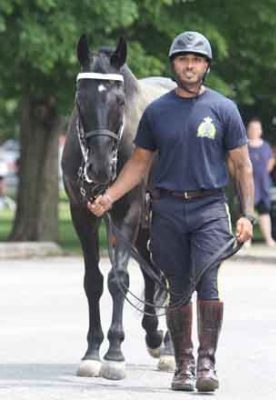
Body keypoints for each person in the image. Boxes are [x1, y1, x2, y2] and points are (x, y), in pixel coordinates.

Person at [88, 31, 255, 392]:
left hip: (210, 207)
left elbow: (242, 166)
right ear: (174, 65)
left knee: (207, 283)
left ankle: (206, 364)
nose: (189, 65)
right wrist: (110, 197)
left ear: (206, 66)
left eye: (196, 60)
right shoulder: (157, 111)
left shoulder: (224, 109)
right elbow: (138, 163)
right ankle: (183, 365)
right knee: (177, 287)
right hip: (166, 209)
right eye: (183, 59)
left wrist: (247, 214)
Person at [247, 118, 276, 247]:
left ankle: (269, 239)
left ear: (260, 131)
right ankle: (246, 240)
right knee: (248, 212)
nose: (254, 131)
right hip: (248, 185)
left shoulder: (266, 146)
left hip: (263, 185)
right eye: (252, 128)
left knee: (264, 212)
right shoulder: (244, 145)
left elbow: (271, 161)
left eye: (256, 128)